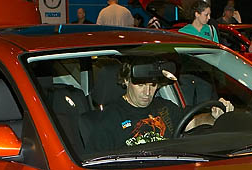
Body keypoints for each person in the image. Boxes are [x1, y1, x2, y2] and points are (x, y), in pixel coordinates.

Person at [90, 60, 231, 150]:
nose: (147, 92)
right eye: (141, 85)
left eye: (152, 85)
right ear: (126, 81)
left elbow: (192, 122)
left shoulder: (165, 108)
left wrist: (213, 117)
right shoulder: (109, 119)